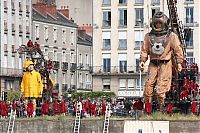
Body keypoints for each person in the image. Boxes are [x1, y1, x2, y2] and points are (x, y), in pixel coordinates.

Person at [140, 11, 184, 111]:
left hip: (165, 63)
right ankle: (148, 110)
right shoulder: (148, 36)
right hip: (153, 63)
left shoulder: (171, 36)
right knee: (148, 87)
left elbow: (178, 49)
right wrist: (142, 61)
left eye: (160, 23)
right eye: (157, 23)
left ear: (164, 23)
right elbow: (144, 50)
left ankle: (161, 109)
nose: (158, 25)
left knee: (161, 88)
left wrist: (179, 62)